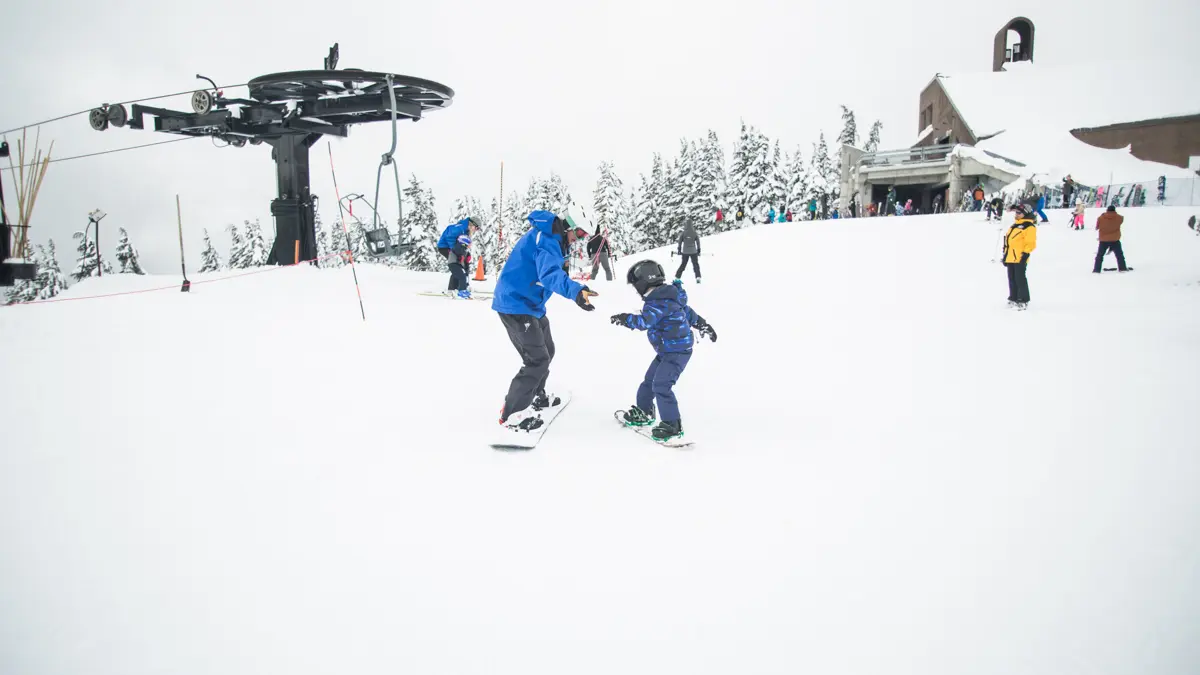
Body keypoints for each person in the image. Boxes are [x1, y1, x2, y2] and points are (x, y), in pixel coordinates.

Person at [492, 210, 598, 433]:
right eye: (578, 232)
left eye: (583, 235)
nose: (579, 238)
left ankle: (536, 396)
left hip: (531, 305)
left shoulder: (556, 240)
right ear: (568, 224)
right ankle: (512, 415)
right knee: (536, 360)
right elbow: (549, 275)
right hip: (515, 304)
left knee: (547, 351)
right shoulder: (548, 239)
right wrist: (577, 292)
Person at [610, 260, 717, 442]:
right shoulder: (670, 296)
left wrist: (625, 319)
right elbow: (689, 314)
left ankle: (672, 424)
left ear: (643, 282)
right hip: (667, 351)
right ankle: (644, 411)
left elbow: (645, 322)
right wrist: (703, 325)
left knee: (661, 386)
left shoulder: (657, 302)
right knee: (649, 381)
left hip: (677, 352)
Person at [1003, 203, 1038, 310]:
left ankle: (1023, 299)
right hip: (1010, 256)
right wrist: (1005, 254)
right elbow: (1007, 241)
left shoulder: (1029, 226)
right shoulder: (1015, 225)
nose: (1016, 215)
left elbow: (1030, 242)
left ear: (1025, 214)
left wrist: (1025, 254)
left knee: (1020, 278)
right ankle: (1013, 297)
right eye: (1016, 212)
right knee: (1011, 278)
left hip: (1020, 257)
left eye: (1019, 213)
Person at [436, 216, 480, 298]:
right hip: (444, 247)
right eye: (476, 228)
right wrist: (454, 250)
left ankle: (455, 287)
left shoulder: (466, 230)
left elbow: (463, 244)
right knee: (456, 265)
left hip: (453, 248)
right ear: (472, 224)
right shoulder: (460, 228)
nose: (476, 230)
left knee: (459, 265)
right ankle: (455, 288)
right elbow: (449, 236)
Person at [1093, 205, 1129, 273]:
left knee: (1100, 255)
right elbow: (1121, 219)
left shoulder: (1101, 218)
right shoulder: (1118, 217)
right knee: (1119, 255)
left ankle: (1096, 269)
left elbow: (1097, 227)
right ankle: (1122, 268)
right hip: (1115, 239)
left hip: (1103, 240)